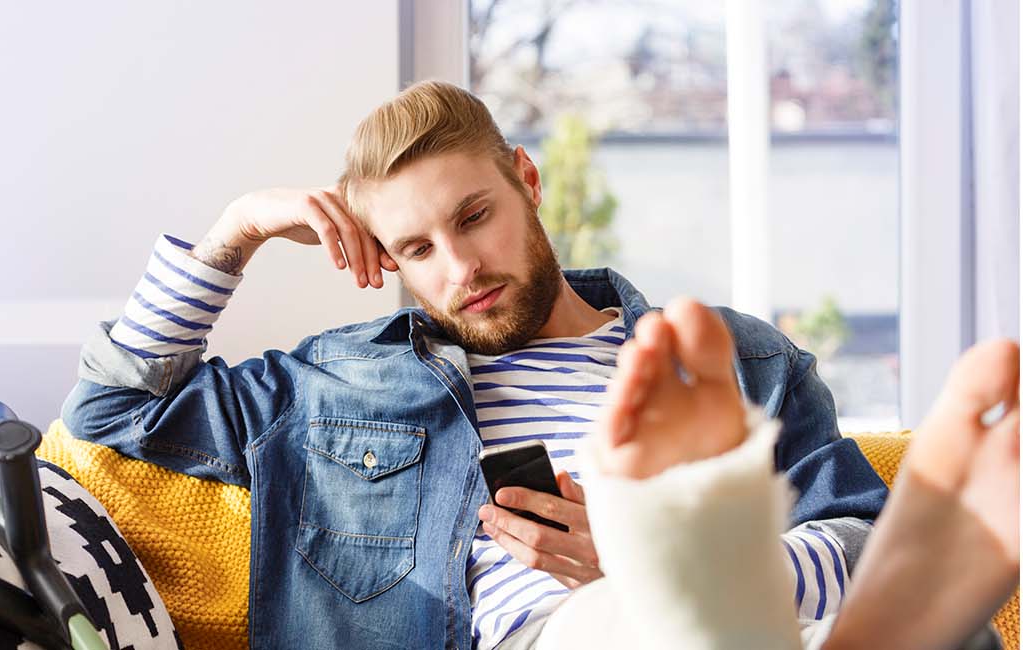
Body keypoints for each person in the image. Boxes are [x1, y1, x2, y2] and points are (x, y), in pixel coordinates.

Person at [61, 81, 888, 649]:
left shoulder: (736, 358)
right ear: (389, 261)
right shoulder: (337, 385)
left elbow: (866, 544)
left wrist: (665, 564)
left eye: (473, 217)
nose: (461, 269)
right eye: (418, 249)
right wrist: (236, 231)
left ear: (526, 179)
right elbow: (113, 408)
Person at [536, 298, 1018, 650]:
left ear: (531, 191)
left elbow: (852, 531)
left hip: (783, 625)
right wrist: (664, 575)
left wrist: (679, 569)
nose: (485, 268)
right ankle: (719, 603)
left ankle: (714, 604)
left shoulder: (749, 354)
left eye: (490, 213)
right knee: (599, 624)